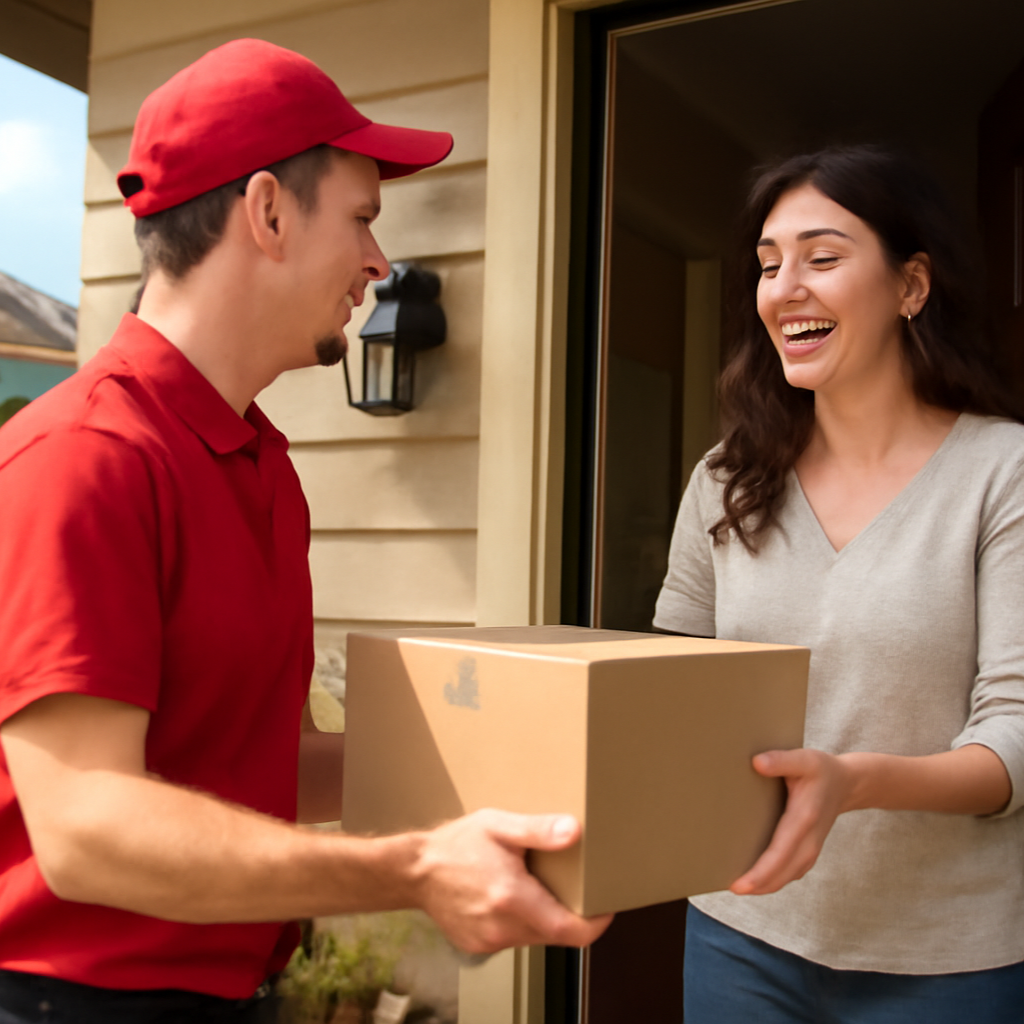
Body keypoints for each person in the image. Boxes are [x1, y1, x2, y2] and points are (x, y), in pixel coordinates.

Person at [0, 39, 609, 1024]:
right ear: (269, 212)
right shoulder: (84, 457)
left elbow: (251, 762)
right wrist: (413, 870)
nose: (377, 260)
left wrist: (507, 764)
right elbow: (87, 829)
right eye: (363, 218)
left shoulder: (258, 466)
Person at [654, 145, 1024, 1023]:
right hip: (736, 929)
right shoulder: (725, 478)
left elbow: (1015, 734)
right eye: (769, 264)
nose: (785, 288)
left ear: (911, 286)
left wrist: (852, 780)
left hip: (948, 959)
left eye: (822, 257)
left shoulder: (1001, 472)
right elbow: (665, 687)